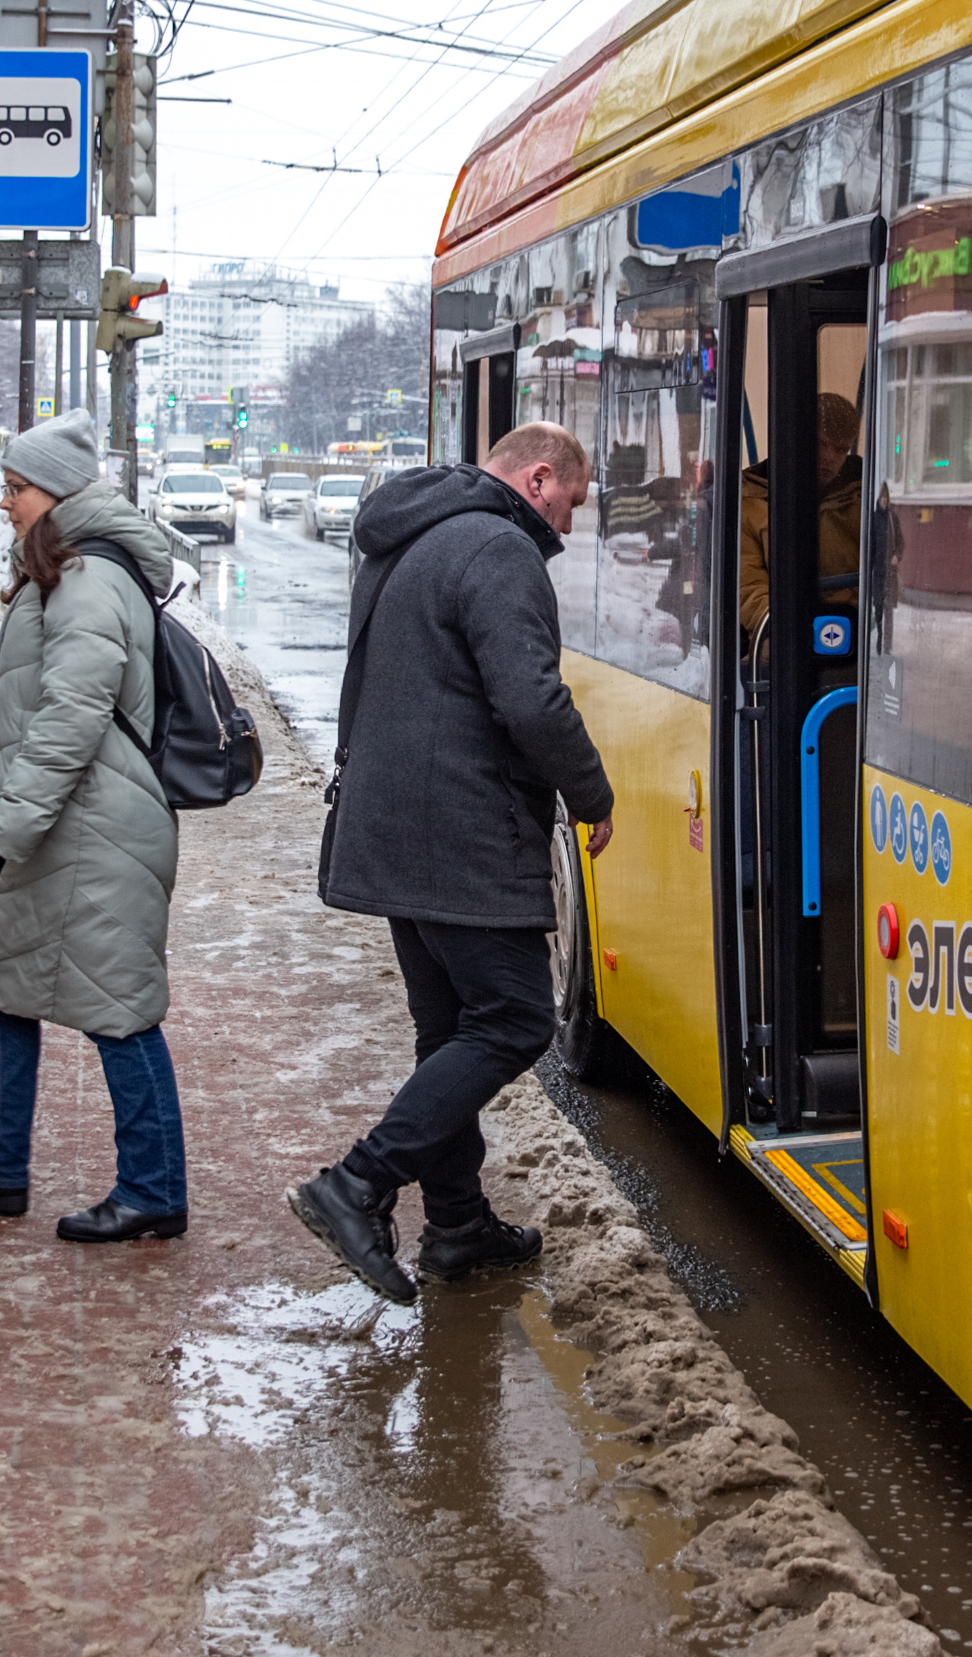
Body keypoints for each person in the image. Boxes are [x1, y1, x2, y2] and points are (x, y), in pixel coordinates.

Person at [292, 421, 616, 1305]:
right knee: (514, 1022)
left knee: (450, 1034)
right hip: (463, 835)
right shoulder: (498, 547)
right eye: (572, 505)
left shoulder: (412, 533)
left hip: (396, 826)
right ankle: (357, 1183)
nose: (569, 528)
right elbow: (532, 701)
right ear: (540, 478)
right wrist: (593, 796)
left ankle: (459, 1225)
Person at [0, 410, 189, 1243]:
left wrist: (11, 827)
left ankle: (154, 1190)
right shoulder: (65, 568)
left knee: (118, 1008)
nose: (4, 504)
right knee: (0, 981)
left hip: (92, 831)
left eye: (16, 489)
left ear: (58, 493)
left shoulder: (90, 581)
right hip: (66, 826)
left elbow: (70, 718)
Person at [737, 392, 863, 636]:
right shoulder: (750, 502)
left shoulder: (863, 496)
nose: (828, 457)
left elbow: (885, 575)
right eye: (820, 443)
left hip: (857, 634)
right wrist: (796, 631)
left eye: (839, 450)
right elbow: (749, 588)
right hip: (784, 639)